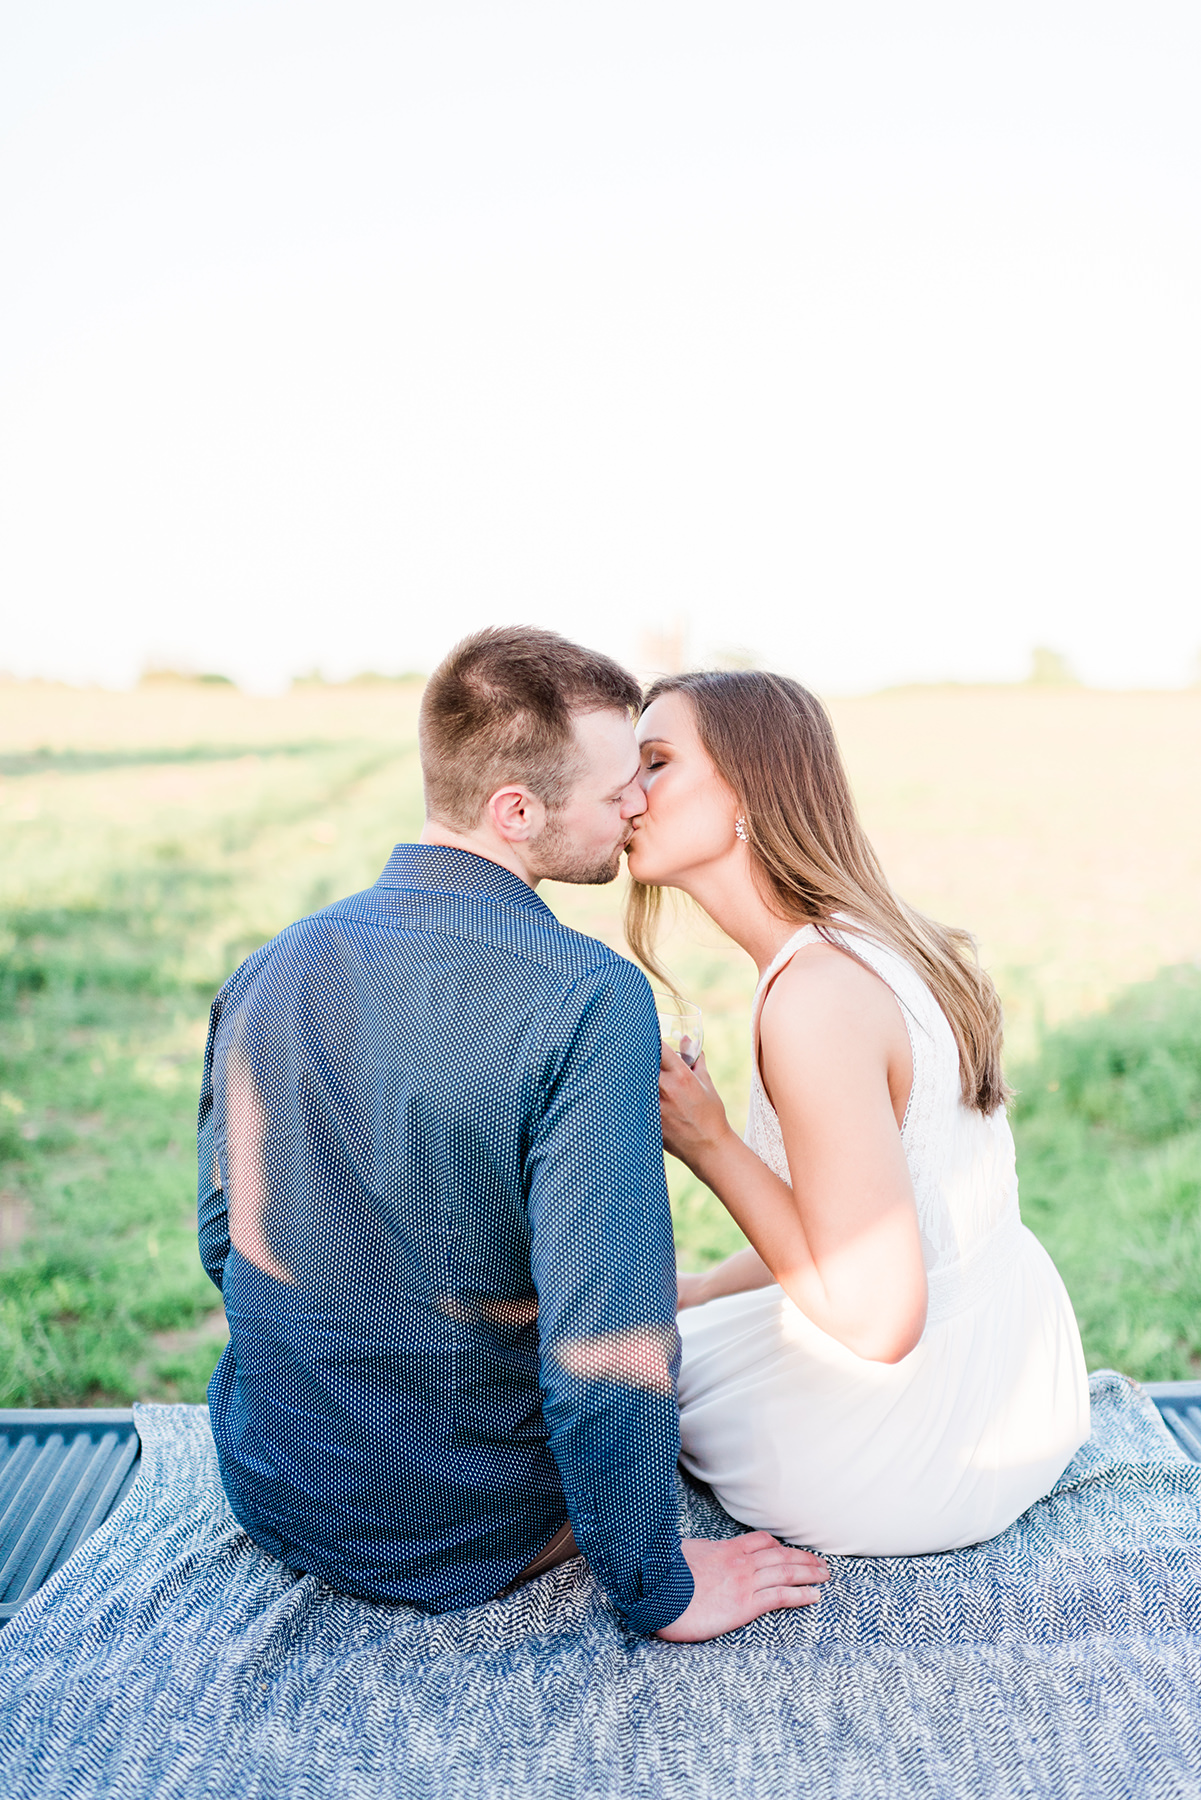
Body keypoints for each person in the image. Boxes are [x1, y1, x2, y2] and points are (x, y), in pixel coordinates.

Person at [197, 627, 828, 1642]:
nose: (637, 802)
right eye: (618, 784)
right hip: (468, 1531)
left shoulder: (269, 967)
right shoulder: (590, 996)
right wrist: (657, 1586)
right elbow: (609, 1344)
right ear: (516, 810)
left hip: (273, 1489)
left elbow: (223, 1243)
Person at [624, 669, 1090, 1556]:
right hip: (1020, 1376)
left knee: (605, 1377)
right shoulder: (864, 941)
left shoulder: (816, 1000)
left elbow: (877, 1321)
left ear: (747, 791)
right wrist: (697, 1292)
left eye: (655, 762)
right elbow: (854, 1214)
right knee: (666, 1324)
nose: (626, 793)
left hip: (910, 1451)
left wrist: (708, 1142)